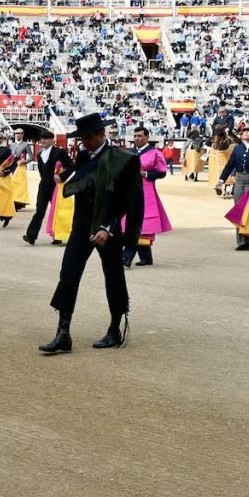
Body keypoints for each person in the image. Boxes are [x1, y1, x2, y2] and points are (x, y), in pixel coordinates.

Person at [38, 113, 143, 354]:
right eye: (81, 137)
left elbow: (128, 200)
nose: (83, 142)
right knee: (69, 272)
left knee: (113, 275)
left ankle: (116, 329)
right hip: (83, 224)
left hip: (109, 227)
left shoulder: (125, 159)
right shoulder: (84, 155)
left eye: (87, 137)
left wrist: (108, 227)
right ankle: (63, 334)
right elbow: (81, 180)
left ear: (101, 134)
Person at [122, 126, 171, 268]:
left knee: (141, 223)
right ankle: (146, 257)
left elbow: (162, 172)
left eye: (139, 136)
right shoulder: (129, 152)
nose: (136, 138)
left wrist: (146, 174)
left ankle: (126, 256)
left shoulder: (154, 153)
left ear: (147, 137)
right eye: (135, 136)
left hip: (146, 191)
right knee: (135, 223)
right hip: (130, 191)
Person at [23, 129, 72, 245]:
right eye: (42, 138)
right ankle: (31, 236)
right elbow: (41, 171)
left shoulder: (60, 152)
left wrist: (62, 176)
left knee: (57, 211)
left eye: (46, 138)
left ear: (52, 140)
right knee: (39, 210)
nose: (43, 140)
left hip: (56, 187)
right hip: (44, 186)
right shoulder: (40, 154)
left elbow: (71, 166)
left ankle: (58, 236)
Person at [9, 128, 32, 211]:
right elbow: (10, 156)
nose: (18, 135)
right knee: (12, 183)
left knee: (20, 185)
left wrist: (24, 162)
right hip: (12, 165)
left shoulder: (26, 144)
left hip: (21, 165)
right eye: (17, 133)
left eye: (20, 133)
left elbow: (31, 157)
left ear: (23, 135)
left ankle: (18, 203)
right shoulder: (12, 145)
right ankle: (13, 201)